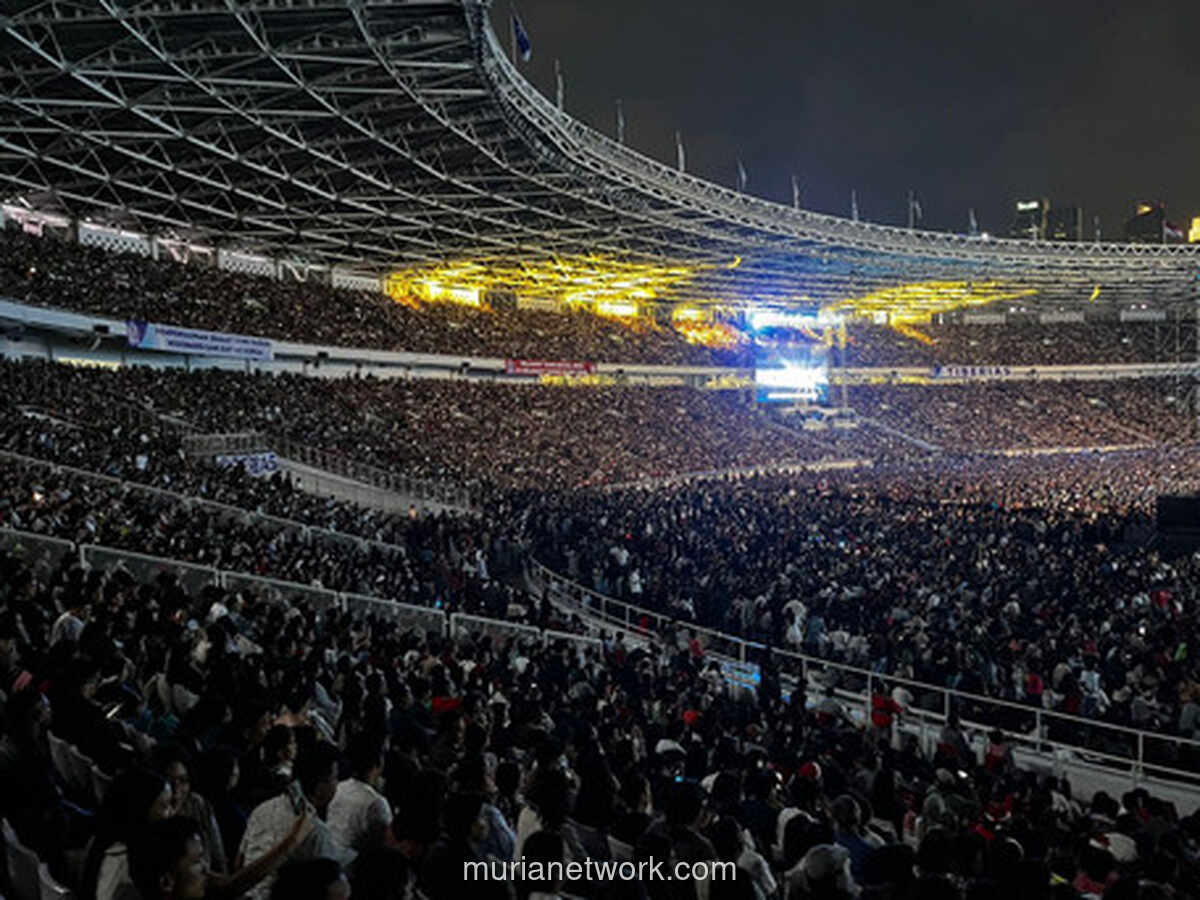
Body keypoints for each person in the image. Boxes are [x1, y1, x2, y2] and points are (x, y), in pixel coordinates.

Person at [238, 742, 356, 900]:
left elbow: (239, 862)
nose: (337, 784)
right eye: (335, 778)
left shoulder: (262, 809)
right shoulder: (314, 831)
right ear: (320, 786)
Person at [327, 732, 392, 854]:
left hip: (330, 854)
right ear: (378, 762)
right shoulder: (376, 803)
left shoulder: (339, 787)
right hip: (355, 866)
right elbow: (383, 845)